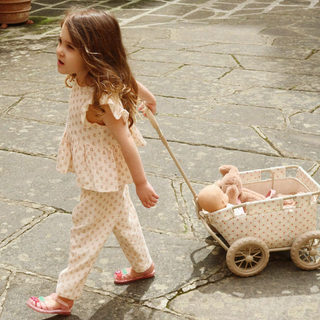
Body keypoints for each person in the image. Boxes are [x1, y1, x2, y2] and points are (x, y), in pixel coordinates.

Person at [27, 7, 159, 315]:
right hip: (101, 173)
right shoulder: (87, 77)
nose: (60, 50)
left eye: (71, 47)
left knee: (85, 231)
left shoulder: (103, 98)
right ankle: (143, 265)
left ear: (94, 53)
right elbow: (125, 77)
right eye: (59, 42)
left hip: (104, 177)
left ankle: (64, 296)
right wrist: (148, 96)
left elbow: (125, 139)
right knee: (122, 219)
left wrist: (141, 183)